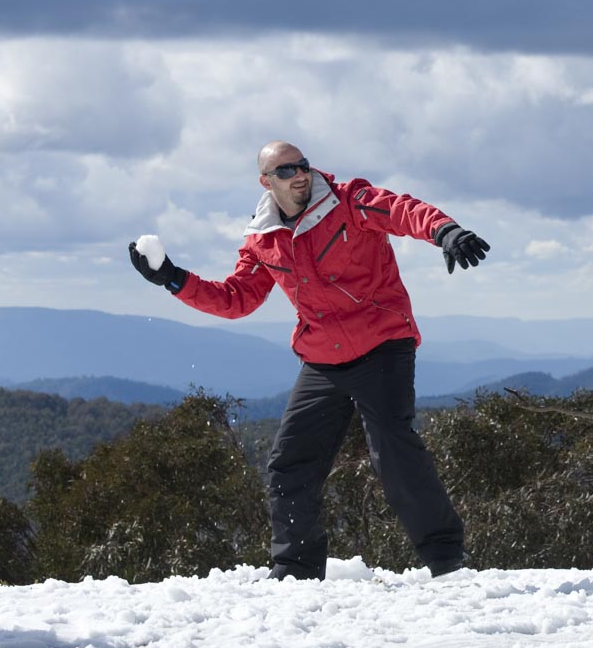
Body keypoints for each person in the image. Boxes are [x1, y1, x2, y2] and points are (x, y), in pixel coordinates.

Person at [128, 141, 490, 580]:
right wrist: (172, 278)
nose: (299, 175)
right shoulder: (264, 239)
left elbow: (401, 210)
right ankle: (295, 573)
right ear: (266, 182)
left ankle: (447, 562)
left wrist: (445, 231)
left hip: (382, 344)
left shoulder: (348, 200)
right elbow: (237, 299)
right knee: (289, 462)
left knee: (392, 450)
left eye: (302, 165)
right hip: (322, 358)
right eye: (285, 171)